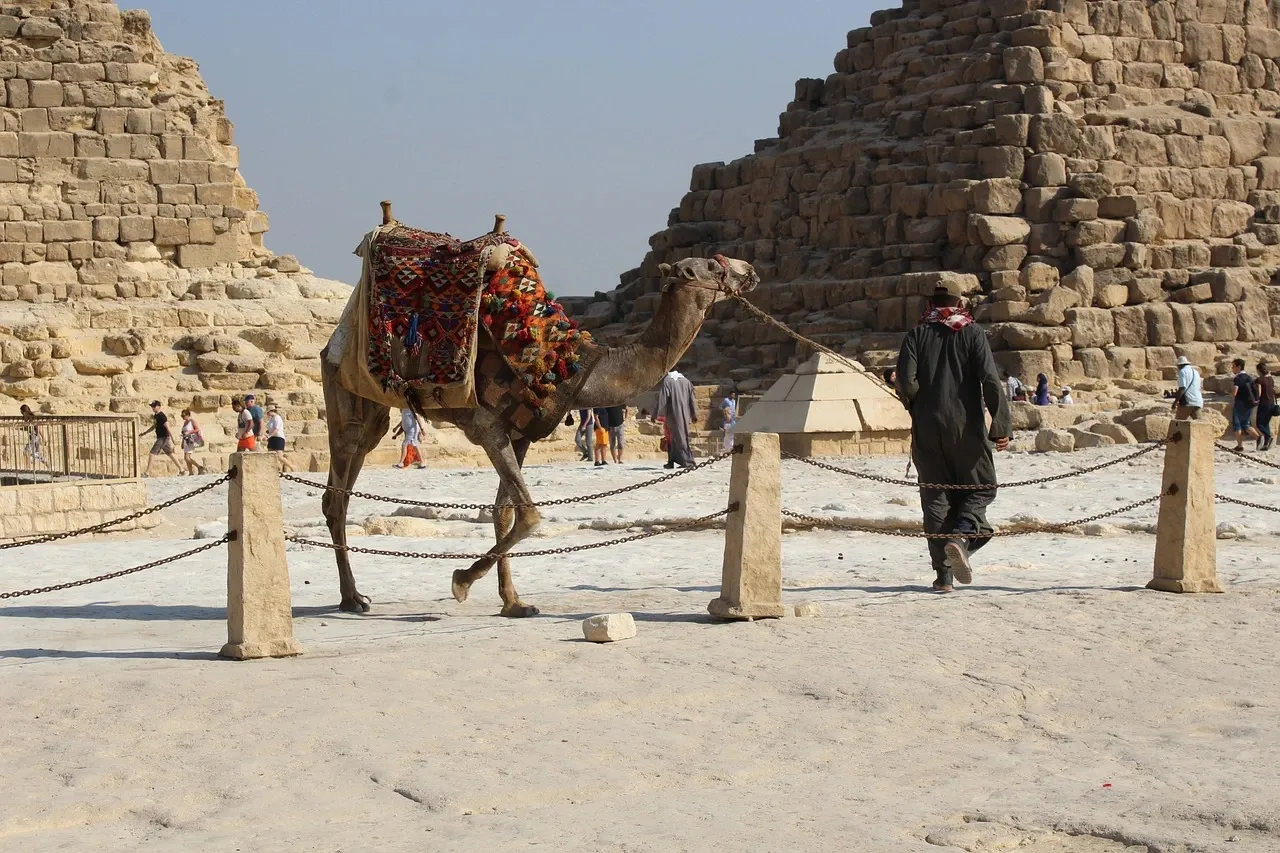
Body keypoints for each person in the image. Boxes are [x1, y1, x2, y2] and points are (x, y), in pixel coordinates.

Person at [895, 279, 1011, 593]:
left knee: (935, 497)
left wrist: (918, 403)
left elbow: (906, 382)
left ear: (931, 303)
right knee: (981, 487)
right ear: (960, 303)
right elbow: (989, 379)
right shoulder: (972, 333)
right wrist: (1000, 426)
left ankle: (943, 576)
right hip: (966, 427)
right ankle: (962, 537)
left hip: (927, 428)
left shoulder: (916, 334)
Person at [656, 368, 697, 469]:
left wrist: (656, 414)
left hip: (673, 414)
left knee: (679, 438)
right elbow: (692, 400)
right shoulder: (687, 382)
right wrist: (693, 414)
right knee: (674, 438)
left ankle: (688, 461)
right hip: (685, 414)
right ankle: (672, 460)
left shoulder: (667, 381)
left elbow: (662, 399)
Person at [140, 400, 181, 477]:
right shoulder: (156, 416)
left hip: (163, 438)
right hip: (163, 437)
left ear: (159, 407)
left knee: (152, 453)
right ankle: (182, 470)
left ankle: (147, 473)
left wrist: (173, 439)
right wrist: (145, 433)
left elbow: (168, 427)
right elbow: (154, 426)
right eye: (152, 406)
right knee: (170, 454)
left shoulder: (162, 416)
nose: (152, 408)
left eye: (154, 406)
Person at [1230, 358, 1260, 451]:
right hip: (1250, 404)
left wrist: (1230, 395)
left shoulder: (1238, 378)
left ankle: (1239, 446)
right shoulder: (1249, 377)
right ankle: (1259, 438)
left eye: (1233, 366)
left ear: (1239, 367)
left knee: (1237, 424)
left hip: (1240, 404)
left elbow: (1235, 392)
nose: (1232, 368)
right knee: (1246, 424)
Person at [265, 405, 294, 472]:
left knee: (279, 457)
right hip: (272, 438)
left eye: (268, 412)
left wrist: (268, 436)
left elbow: (276, 429)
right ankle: (277, 469)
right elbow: (270, 429)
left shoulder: (277, 418)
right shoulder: (271, 419)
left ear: (271, 411)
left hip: (278, 438)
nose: (267, 414)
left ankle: (292, 467)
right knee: (271, 455)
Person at [1172, 355, 1203, 420]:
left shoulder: (1182, 372)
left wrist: (1175, 402)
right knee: (1199, 424)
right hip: (1197, 401)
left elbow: (1182, 388)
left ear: (1180, 365)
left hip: (1187, 401)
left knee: (1177, 424)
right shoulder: (1195, 372)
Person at [179, 409, 207, 475]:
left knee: (187, 458)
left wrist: (189, 432)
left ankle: (199, 467)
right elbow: (183, 433)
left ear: (188, 415)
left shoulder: (192, 421)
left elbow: (197, 429)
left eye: (184, 415)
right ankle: (191, 472)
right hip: (186, 441)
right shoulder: (184, 423)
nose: (183, 417)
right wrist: (182, 442)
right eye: (182, 416)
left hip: (191, 440)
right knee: (186, 458)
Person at [18, 404, 47, 469]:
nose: (21, 413)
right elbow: (26, 428)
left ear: (24, 411)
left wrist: (43, 437)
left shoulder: (31, 418)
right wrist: (19, 428)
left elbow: (37, 428)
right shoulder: (28, 418)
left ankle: (28, 469)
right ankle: (48, 465)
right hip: (33, 437)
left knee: (26, 451)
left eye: (22, 412)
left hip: (34, 437)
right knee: (35, 454)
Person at [1255, 362, 1275, 452]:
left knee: (1259, 424)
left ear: (1259, 370)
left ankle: (1268, 436)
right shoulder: (1270, 379)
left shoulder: (1260, 380)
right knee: (1266, 423)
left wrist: (1256, 399)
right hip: (1271, 403)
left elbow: (1259, 392)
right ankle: (1266, 444)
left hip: (1263, 403)